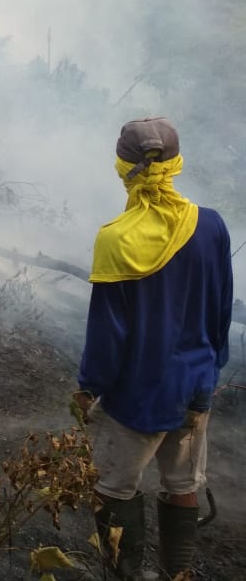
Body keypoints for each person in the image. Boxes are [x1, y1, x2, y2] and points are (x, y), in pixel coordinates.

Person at [75, 116, 232, 580]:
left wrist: (89, 389)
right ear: (175, 163)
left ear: (123, 166)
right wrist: (209, 369)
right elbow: (221, 308)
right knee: (182, 484)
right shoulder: (212, 226)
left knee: (113, 488)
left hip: (137, 395)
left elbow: (108, 335)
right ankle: (177, 575)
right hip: (195, 387)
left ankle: (125, 574)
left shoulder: (116, 239)